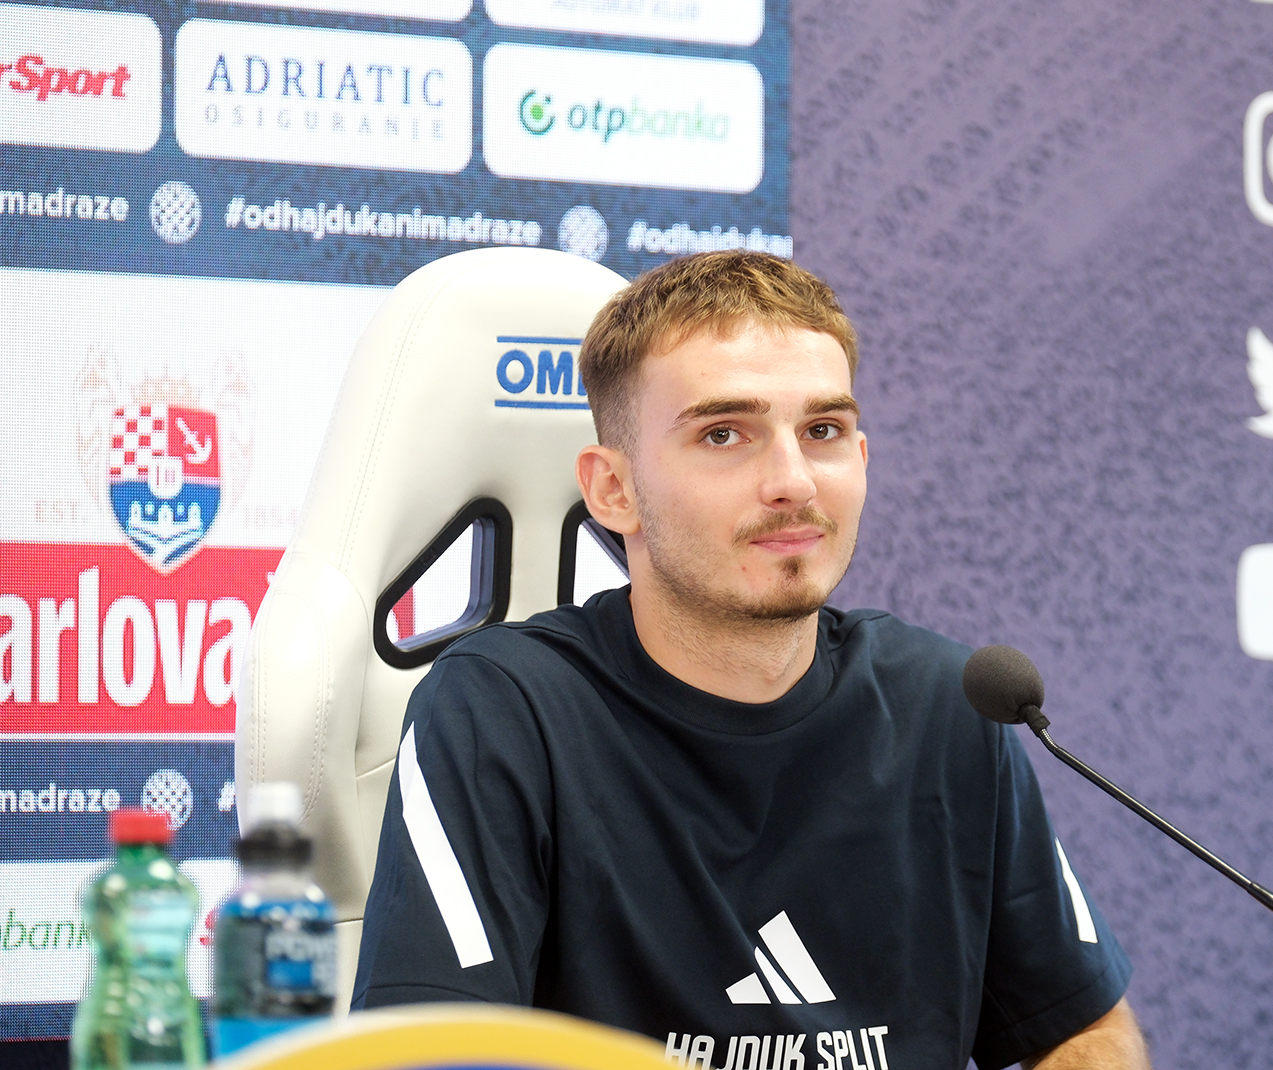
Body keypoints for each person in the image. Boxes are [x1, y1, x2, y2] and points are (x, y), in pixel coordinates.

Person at [352, 251, 1150, 1070]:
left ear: (862, 460)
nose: (793, 482)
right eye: (724, 434)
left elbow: (1085, 1030)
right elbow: (427, 1055)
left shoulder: (948, 702)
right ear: (613, 490)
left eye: (822, 431)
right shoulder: (503, 711)